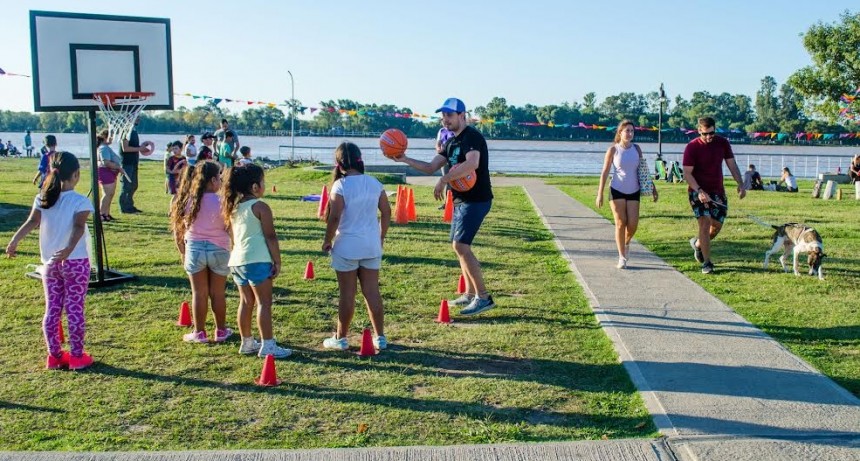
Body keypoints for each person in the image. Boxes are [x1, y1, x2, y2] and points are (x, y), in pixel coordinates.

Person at [394, 97, 495, 315]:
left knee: (461, 246)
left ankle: (483, 297)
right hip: (461, 201)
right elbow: (430, 167)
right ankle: (469, 293)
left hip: (477, 199)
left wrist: (444, 179)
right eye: (443, 115)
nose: (445, 119)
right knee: (457, 246)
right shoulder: (450, 143)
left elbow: (472, 163)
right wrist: (404, 159)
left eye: (450, 115)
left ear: (462, 116)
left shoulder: (472, 137)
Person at [5, 152, 95, 370]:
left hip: (49, 265)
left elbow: (31, 222)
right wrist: (68, 249)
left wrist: (14, 241)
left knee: (52, 310)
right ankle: (76, 356)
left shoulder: (42, 198)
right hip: (76, 262)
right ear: (76, 174)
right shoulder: (80, 201)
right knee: (74, 308)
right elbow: (78, 227)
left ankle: (54, 356)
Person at [321, 142, 391, 351]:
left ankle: (341, 338)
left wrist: (327, 239)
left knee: (347, 294)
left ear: (339, 164)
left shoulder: (340, 185)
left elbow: (334, 217)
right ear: (360, 160)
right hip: (371, 245)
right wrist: (381, 236)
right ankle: (380, 337)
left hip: (347, 246)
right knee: (372, 292)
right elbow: (387, 212)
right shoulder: (374, 183)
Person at [221, 164, 291, 358]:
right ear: (254, 187)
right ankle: (268, 345)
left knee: (245, 302)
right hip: (258, 259)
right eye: (263, 182)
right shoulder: (260, 207)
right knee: (264, 303)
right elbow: (271, 236)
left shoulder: (233, 207)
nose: (264, 186)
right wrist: (277, 261)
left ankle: (247, 342)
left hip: (237, 261)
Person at [170, 161, 233, 344]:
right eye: (220, 178)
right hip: (219, 249)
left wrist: (182, 251)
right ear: (214, 180)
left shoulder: (188, 200)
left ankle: (199, 332)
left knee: (199, 293)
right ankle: (221, 330)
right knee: (218, 293)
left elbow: (179, 230)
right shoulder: (223, 202)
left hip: (195, 249)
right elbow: (229, 229)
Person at [683, 117, 745, 274]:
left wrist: (740, 183)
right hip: (698, 191)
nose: (709, 137)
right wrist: (699, 190)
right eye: (705, 134)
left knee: (716, 226)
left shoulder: (722, 143)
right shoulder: (692, 147)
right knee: (704, 223)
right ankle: (707, 263)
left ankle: (698, 245)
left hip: (717, 192)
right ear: (699, 131)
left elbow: (732, 164)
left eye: (712, 133)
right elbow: (687, 174)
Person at [596, 120, 658, 269]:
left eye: (632, 131)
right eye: (627, 131)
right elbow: (605, 172)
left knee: (633, 224)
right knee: (620, 223)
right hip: (617, 189)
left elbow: (643, 170)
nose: (630, 133)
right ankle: (622, 257)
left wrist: (653, 188)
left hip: (634, 190)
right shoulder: (613, 150)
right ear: (620, 132)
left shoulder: (637, 149)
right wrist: (600, 194)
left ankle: (626, 242)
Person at [119, 117, 151, 214]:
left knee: (134, 185)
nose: (138, 119)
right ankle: (124, 208)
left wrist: (142, 146)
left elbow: (134, 147)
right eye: (136, 117)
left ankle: (130, 205)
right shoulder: (125, 131)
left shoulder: (133, 130)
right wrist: (140, 148)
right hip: (126, 163)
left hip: (134, 162)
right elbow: (125, 148)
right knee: (126, 186)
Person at [96, 130, 126, 222]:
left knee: (110, 194)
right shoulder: (103, 148)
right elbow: (106, 162)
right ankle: (102, 214)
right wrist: (118, 167)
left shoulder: (105, 147)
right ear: (105, 137)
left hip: (110, 172)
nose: (112, 138)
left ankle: (106, 213)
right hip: (106, 172)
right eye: (111, 136)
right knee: (107, 194)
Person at [435, 126, 455, 209]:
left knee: (458, 180)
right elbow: (438, 143)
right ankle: (447, 203)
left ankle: (459, 202)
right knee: (447, 180)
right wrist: (439, 150)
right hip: (445, 159)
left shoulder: (457, 129)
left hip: (455, 158)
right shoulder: (441, 130)